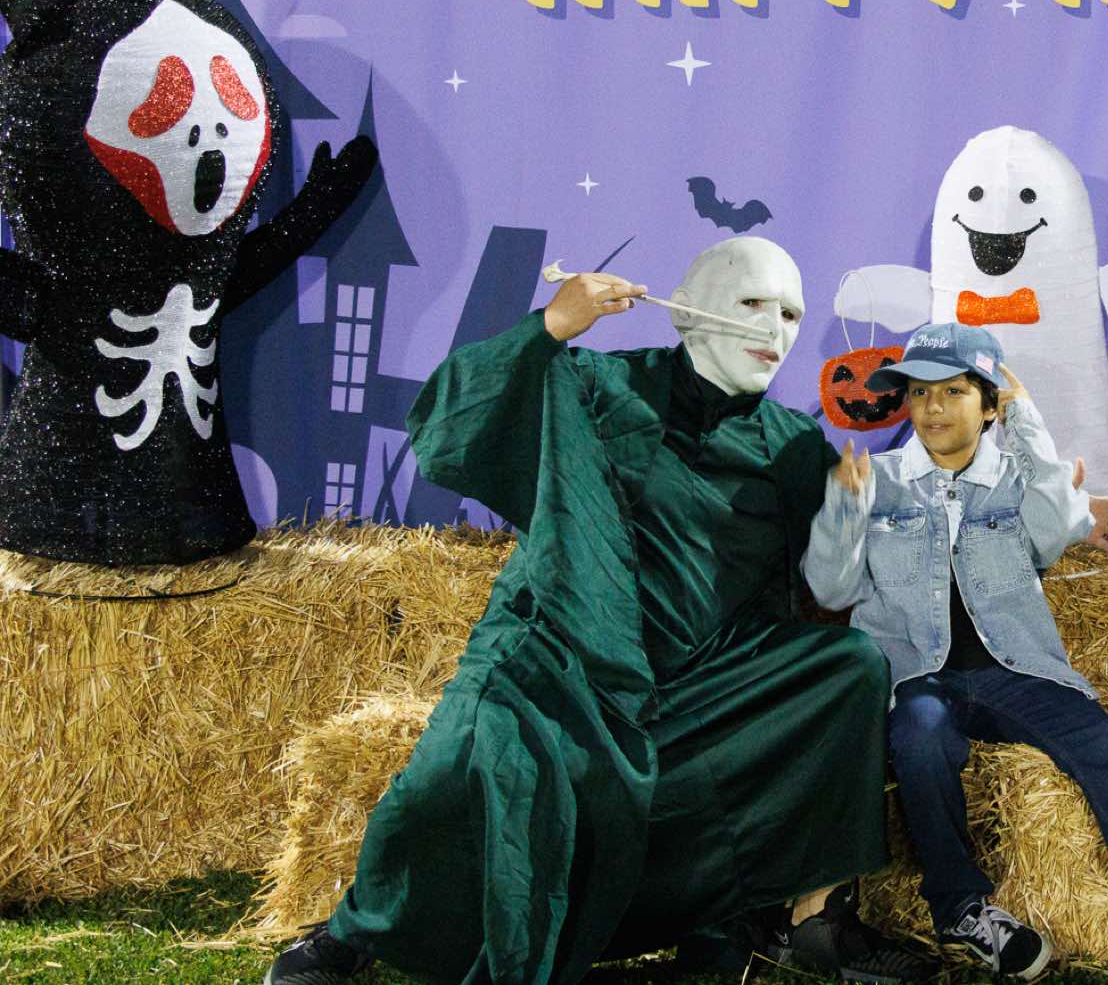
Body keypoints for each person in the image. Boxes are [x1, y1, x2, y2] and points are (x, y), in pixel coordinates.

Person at [265, 238, 932, 985]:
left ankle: (817, 919)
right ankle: (357, 928)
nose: (772, 329)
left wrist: (846, 514)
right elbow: (449, 431)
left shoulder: (793, 443)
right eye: (751, 303)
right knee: (463, 763)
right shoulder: (595, 386)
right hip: (560, 655)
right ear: (686, 309)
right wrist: (551, 326)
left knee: (849, 666)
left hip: (700, 678)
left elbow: (831, 590)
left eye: (790, 315)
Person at [805, 322, 1108, 983]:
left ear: (990, 405)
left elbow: (1055, 531)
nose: (932, 407)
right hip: (918, 675)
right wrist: (845, 508)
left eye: (953, 391)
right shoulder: (878, 480)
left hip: (1013, 670)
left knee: (1102, 740)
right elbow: (832, 588)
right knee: (920, 736)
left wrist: (1027, 422)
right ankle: (962, 909)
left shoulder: (1019, 480)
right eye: (919, 392)